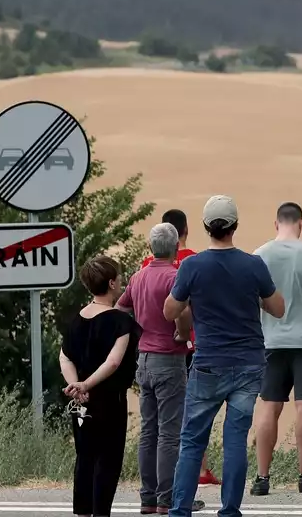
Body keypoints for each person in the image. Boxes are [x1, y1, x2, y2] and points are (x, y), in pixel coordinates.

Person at [165, 195, 286, 517]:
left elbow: (170, 310)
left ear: (206, 227)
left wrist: (190, 307)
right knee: (235, 440)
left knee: (192, 440)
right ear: (235, 226)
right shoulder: (253, 265)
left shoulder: (192, 266)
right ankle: (230, 510)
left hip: (208, 363)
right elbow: (278, 308)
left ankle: (180, 510)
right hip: (248, 363)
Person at [118, 223, 204, 515]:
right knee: (170, 433)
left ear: (150, 247)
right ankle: (168, 498)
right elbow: (184, 313)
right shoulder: (175, 276)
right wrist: (181, 333)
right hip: (169, 358)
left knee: (148, 431)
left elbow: (120, 308)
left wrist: (135, 334)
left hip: (144, 358)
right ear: (176, 247)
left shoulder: (138, 277)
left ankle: (148, 497)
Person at [251, 202, 302, 496]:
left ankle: (261, 478)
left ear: (276, 224)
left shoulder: (259, 256)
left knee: (269, 406)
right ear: (301, 223)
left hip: (270, 342)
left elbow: (254, 301)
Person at [139, 209, 220, 488]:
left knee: (153, 425)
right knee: (192, 410)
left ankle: (153, 487)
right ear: (184, 231)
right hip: (189, 345)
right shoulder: (195, 260)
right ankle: (197, 470)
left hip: (151, 350)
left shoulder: (145, 265)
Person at [60, 255, 139, 517]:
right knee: (107, 459)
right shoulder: (120, 321)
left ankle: (82, 511)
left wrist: (75, 385)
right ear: (113, 283)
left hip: (80, 403)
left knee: (85, 455)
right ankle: (100, 512)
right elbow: (114, 362)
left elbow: (65, 356)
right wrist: (87, 384)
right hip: (110, 401)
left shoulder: (76, 319)